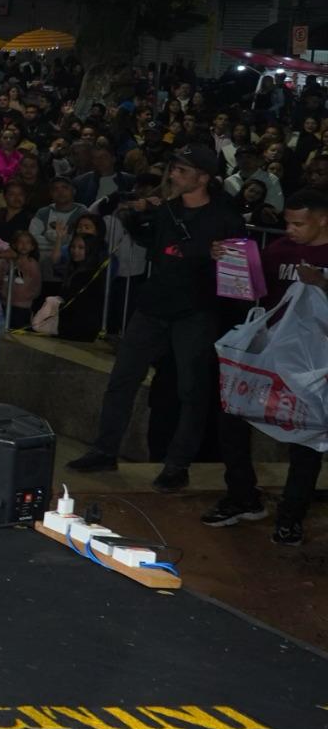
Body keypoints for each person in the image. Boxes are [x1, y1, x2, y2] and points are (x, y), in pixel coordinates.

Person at [67, 143, 245, 489]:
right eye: (173, 169)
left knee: (191, 391)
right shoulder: (167, 211)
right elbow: (151, 243)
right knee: (122, 380)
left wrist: (217, 257)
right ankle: (105, 450)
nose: (173, 175)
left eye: (182, 171)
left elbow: (240, 273)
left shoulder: (225, 218)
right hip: (153, 307)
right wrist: (135, 215)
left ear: (204, 178)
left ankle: (177, 465)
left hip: (195, 312)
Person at [211, 189, 328, 535]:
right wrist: (228, 261)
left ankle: (291, 515)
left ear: (323, 219)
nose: (289, 229)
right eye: (287, 222)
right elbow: (250, 289)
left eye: (298, 223)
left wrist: (322, 283)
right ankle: (242, 495)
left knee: (306, 438)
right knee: (232, 415)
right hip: (272, 354)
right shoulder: (280, 251)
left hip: (314, 363)